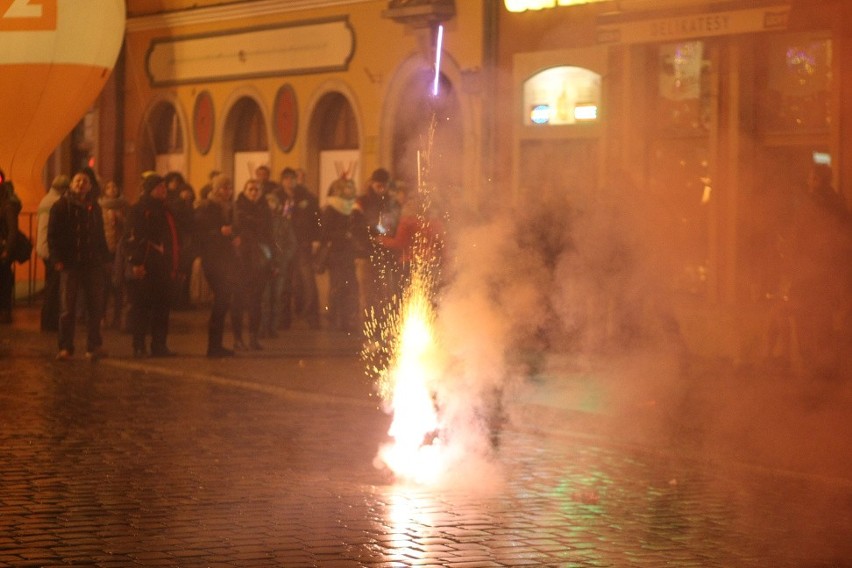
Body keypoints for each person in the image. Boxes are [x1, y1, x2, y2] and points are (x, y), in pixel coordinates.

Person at [788, 163, 851, 381]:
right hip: (830, 280)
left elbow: (798, 244)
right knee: (824, 325)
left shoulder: (812, 206)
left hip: (809, 279)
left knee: (806, 324)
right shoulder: (840, 206)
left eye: (811, 178)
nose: (808, 182)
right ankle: (826, 374)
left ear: (818, 180)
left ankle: (814, 376)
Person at [48, 171, 109, 360]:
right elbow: (53, 235)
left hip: (92, 262)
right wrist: (56, 259)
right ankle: (65, 347)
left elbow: (100, 235)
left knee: (95, 306)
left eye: (85, 181)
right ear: (71, 184)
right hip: (70, 262)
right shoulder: (60, 206)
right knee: (68, 307)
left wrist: (105, 257)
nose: (81, 184)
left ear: (90, 186)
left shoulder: (94, 207)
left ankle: (94, 346)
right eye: (78, 180)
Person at [124, 174, 181, 358]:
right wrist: (135, 263)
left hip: (163, 266)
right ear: (150, 190)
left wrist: (175, 265)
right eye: (159, 187)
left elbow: (173, 237)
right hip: (146, 265)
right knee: (142, 308)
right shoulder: (138, 210)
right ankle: (138, 345)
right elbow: (131, 238)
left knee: (162, 308)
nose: (163, 190)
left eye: (164, 187)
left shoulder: (167, 211)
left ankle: (159, 345)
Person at [195, 174, 238, 357]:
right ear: (215, 189)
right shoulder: (206, 207)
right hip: (212, 259)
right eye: (223, 188)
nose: (227, 192)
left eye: (229, 188)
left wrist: (234, 235)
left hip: (226, 259)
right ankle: (213, 347)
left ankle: (216, 345)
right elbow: (200, 233)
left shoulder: (230, 208)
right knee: (221, 299)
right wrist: (220, 232)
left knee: (223, 301)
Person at [231, 178, 273, 350]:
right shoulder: (238, 206)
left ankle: (253, 337)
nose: (254, 192)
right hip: (241, 259)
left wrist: (273, 261)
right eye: (251, 189)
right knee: (238, 300)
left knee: (256, 300)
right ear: (245, 191)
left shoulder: (265, 208)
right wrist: (256, 223)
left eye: (257, 189)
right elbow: (240, 223)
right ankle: (237, 338)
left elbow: (270, 234)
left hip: (260, 259)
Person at [278, 167, 321, 329]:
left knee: (308, 281)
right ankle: (283, 318)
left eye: (293, 178)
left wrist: (316, 239)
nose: (290, 182)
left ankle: (312, 316)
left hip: (303, 243)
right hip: (284, 245)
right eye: (287, 178)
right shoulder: (277, 197)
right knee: (285, 282)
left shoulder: (307, 197)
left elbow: (317, 218)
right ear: (282, 180)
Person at [354, 167, 400, 316]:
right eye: (378, 185)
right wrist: (371, 239)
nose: (381, 188)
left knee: (385, 294)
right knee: (368, 294)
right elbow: (356, 227)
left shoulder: (391, 203)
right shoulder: (361, 202)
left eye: (384, 185)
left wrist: (388, 239)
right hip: (366, 255)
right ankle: (368, 328)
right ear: (372, 184)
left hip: (386, 254)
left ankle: (383, 327)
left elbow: (395, 225)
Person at [319, 177, 363, 332]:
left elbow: (358, 229)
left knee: (350, 287)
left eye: (352, 187)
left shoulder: (353, 208)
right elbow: (324, 233)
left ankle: (347, 319)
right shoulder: (331, 208)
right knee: (338, 287)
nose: (351, 190)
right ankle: (334, 318)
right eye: (347, 187)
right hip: (336, 254)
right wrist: (344, 235)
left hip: (348, 254)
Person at [259, 192, 296, 339]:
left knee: (276, 296)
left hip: (280, 264)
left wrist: (284, 259)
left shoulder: (283, 222)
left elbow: (292, 243)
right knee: (264, 298)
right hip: (264, 265)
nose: (270, 205)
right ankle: (261, 327)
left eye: (272, 202)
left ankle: (272, 327)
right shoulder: (260, 221)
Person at [37, 174, 69, 331]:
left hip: (43, 247)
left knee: (51, 285)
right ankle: (49, 322)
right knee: (53, 286)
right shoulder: (56, 202)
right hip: (50, 249)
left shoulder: (45, 200)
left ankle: (47, 320)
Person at [99, 180, 129, 329]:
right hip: (105, 249)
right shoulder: (100, 206)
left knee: (118, 284)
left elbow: (129, 225)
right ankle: (102, 315)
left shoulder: (124, 206)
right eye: (108, 187)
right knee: (104, 285)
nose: (112, 189)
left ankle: (117, 317)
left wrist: (119, 218)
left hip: (120, 249)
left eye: (114, 186)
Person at [0, 169, 22, 324]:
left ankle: (5, 311)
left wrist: (7, 250)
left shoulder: (7, 205)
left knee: (4, 280)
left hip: (2, 249)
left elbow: (13, 230)